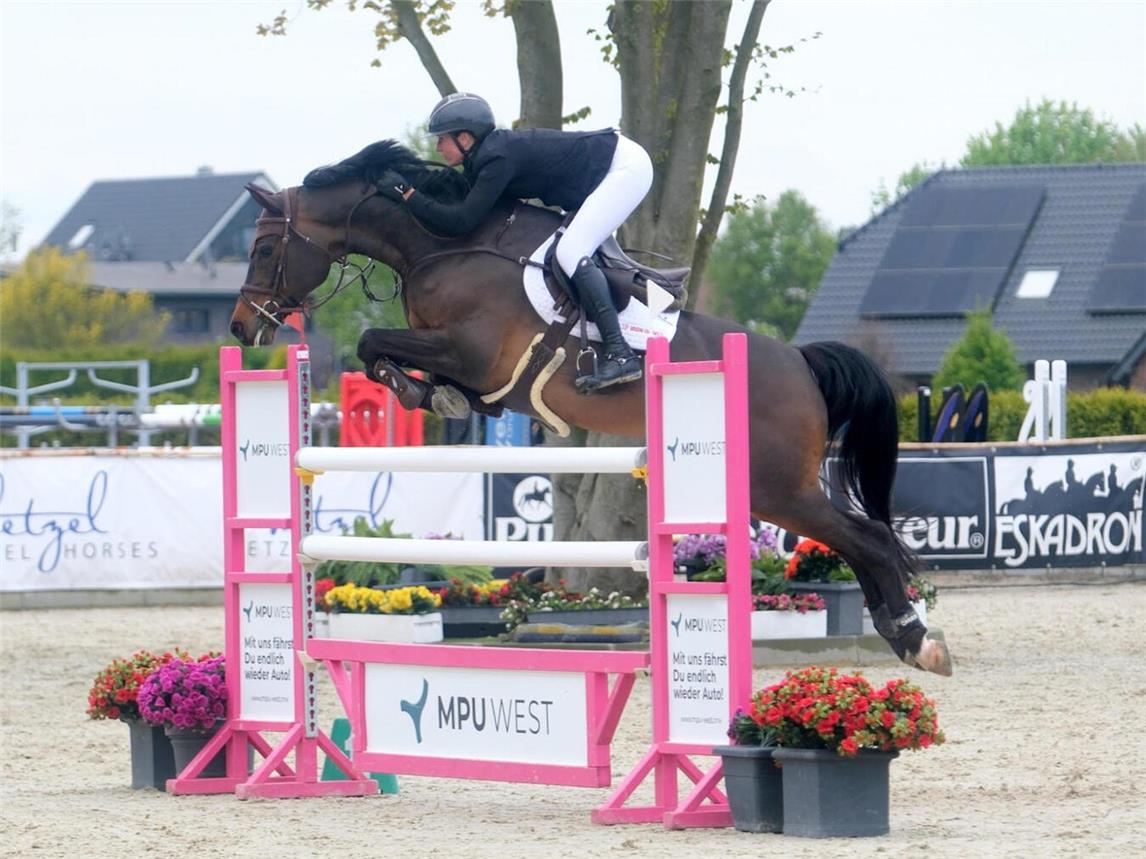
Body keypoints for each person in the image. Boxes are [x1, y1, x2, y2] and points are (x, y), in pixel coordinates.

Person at [375, 92, 653, 393]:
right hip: (604, 172)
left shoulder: (497, 158)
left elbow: (461, 222)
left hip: (624, 169)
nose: (438, 146)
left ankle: (620, 352)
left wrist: (408, 196)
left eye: (442, 139)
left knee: (571, 252)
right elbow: (454, 190)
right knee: (568, 250)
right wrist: (408, 180)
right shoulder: (485, 158)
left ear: (465, 139)